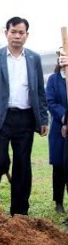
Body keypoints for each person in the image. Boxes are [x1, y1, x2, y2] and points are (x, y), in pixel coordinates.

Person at [0, 16, 48, 215]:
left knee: (23, 166)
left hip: (25, 119)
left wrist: (43, 118)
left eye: (21, 32)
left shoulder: (34, 59)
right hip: (0, 118)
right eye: (13, 32)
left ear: (27, 35)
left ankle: (19, 212)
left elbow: (39, 91)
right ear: (6, 33)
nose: (17, 36)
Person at [45, 58, 68, 214]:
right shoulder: (54, 79)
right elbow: (51, 102)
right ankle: (58, 202)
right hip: (59, 128)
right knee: (59, 166)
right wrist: (65, 118)